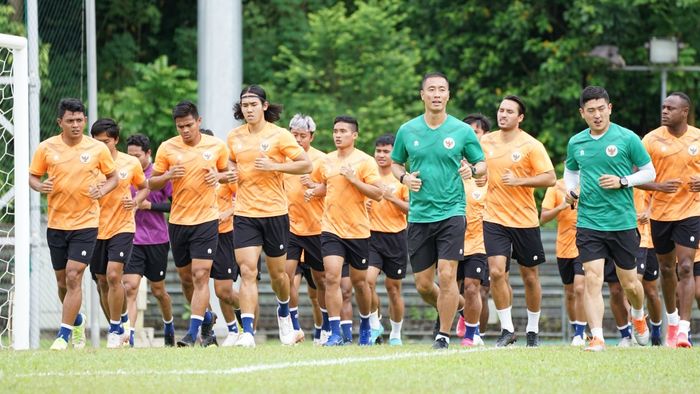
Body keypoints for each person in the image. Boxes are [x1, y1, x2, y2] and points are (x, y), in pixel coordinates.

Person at [390, 72, 486, 349]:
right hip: (420, 215)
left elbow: (482, 165)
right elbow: (397, 164)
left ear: (448, 95)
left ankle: (442, 336)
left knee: (446, 274)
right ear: (422, 95)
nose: (436, 94)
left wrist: (472, 168)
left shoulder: (462, 131)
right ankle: (460, 308)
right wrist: (404, 178)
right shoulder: (407, 130)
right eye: (430, 89)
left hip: (452, 212)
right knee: (422, 284)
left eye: (441, 89)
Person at [565, 85, 654, 351]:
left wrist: (623, 180)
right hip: (589, 222)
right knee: (592, 278)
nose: (597, 115)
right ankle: (597, 337)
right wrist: (571, 192)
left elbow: (650, 173)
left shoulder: (627, 139)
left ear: (610, 108)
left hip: (622, 223)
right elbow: (570, 172)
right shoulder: (576, 142)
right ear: (582, 113)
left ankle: (638, 315)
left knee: (630, 284)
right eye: (590, 111)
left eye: (601, 109)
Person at [29, 98, 118, 350]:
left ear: (85, 121)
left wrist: (103, 190)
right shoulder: (46, 148)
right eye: (70, 121)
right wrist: (40, 185)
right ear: (60, 122)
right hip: (57, 224)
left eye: (80, 120)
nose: (76, 125)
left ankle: (63, 336)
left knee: (73, 275)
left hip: (86, 223)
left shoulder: (97, 149)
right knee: (62, 282)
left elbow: (113, 178)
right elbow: (33, 177)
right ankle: (76, 320)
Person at [227, 85, 313, 347]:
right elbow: (231, 161)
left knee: (279, 277)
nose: (249, 109)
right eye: (245, 105)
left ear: (264, 106)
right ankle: (248, 332)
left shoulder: (280, 135)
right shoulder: (234, 137)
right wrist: (232, 172)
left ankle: (284, 313)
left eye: (253, 104)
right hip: (244, 212)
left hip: (275, 213)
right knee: (247, 271)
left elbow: (305, 164)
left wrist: (275, 166)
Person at [148, 101, 231, 347]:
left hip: (206, 220)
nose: (185, 130)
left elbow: (228, 174)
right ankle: (206, 318)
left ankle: (191, 334)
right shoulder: (167, 148)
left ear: (199, 122)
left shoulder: (216, 146)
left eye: (188, 125)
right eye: (180, 126)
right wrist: (167, 176)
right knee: (186, 279)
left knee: (200, 275)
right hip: (178, 220)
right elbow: (151, 184)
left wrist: (218, 176)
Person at [479, 95, 556, 347]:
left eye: (509, 112)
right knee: (496, 272)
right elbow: (477, 168)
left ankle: (532, 330)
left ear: (520, 118)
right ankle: (507, 329)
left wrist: (520, 181)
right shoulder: (485, 141)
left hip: (524, 220)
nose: (503, 115)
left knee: (530, 277)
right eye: (501, 110)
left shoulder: (531, 145)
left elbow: (550, 178)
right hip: (493, 217)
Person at [310, 115, 384, 346]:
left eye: (343, 131)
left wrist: (353, 180)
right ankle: (334, 332)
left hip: (358, 231)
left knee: (360, 284)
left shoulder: (365, 161)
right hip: (330, 228)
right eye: (335, 131)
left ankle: (364, 325)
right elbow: (327, 186)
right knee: (331, 278)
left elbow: (378, 193)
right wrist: (314, 190)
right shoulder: (326, 160)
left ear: (354, 135)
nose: (338, 135)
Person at [639, 92, 699, 348]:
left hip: (691, 211)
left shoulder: (698, 137)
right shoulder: (651, 139)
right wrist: (658, 186)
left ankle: (683, 331)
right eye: (663, 107)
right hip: (661, 214)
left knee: (685, 267)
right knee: (666, 269)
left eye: (670, 108)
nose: (664, 111)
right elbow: (636, 177)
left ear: (684, 112)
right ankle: (672, 322)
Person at [89, 119, 149, 348]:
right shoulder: (87, 163)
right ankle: (120, 322)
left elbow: (144, 187)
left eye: (106, 141)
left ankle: (115, 331)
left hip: (122, 227)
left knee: (114, 275)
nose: (101, 146)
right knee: (102, 282)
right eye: (97, 141)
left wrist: (134, 202)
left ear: (115, 140)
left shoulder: (130, 162)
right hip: (93, 228)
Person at [123, 133, 176, 347]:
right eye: (130, 155)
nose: (133, 160)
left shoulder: (158, 175)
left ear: (148, 154)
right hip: (132, 238)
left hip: (157, 240)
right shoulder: (124, 171)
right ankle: (130, 336)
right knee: (130, 287)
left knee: (158, 291)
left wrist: (150, 206)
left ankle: (169, 324)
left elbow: (176, 205)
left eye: (137, 156)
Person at [283, 114, 326, 344]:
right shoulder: (282, 159)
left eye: (302, 136)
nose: (298, 140)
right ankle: (295, 327)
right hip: (289, 228)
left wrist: (316, 188)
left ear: (312, 136)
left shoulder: (321, 159)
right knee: (285, 275)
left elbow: (333, 189)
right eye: (294, 135)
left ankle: (326, 326)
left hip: (316, 227)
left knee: (321, 280)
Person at [198, 128, 241, 347]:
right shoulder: (191, 173)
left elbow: (243, 197)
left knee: (223, 290)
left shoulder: (226, 174)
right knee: (198, 284)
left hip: (225, 235)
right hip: (198, 233)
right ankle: (228, 330)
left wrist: (226, 213)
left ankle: (247, 323)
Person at [365, 133, 409, 346]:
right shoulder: (368, 176)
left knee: (393, 289)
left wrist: (392, 198)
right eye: (378, 151)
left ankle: (396, 334)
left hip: (396, 238)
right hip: (371, 236)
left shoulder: (403, 179)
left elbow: (413, 209)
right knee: (367, 281)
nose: (381, 155)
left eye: (386, 151)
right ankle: (375, 323)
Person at [455, 114, 491, 347]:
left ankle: (474, 332)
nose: (471, 135)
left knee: (475, 288)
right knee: (452, 288)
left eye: (476, 131)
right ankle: (463, 315)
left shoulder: (492, 168)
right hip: (453, 238)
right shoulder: (453, 165)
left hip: (482, 241)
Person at [540, 178, 587, 346]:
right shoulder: (555, 186)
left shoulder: (589, 183)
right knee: (570, 292)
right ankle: (576, 329)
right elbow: (543, 217)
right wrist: (562, 206)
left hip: (585, 244)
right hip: (564, 247)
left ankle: (580, 334)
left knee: (580, 288)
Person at [633, 188, 664, 346]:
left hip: (650, 239)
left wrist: (648, 211)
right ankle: (633, 333)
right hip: (630, 238)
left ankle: (656, 333)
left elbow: (660, 195)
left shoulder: (650, 172)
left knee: (652, 292)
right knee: (632, 285)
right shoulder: (619, 172)